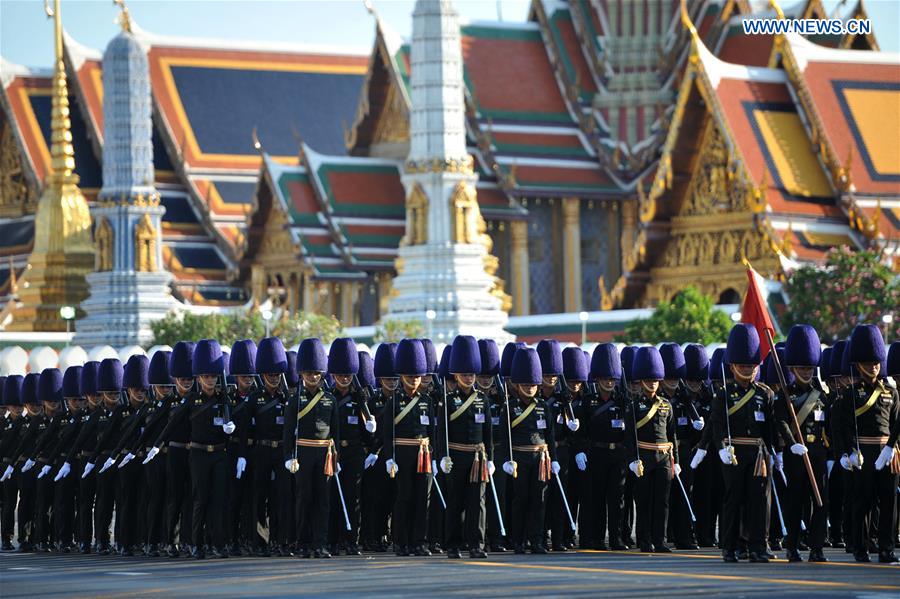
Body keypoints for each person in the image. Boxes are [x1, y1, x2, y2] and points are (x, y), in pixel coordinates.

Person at [146, 339, 237, 559]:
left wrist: (231, 427)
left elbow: (233, 427)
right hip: (197, 454)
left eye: (213, 376)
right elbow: (172, 424)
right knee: (198, 500)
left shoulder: (224, 399)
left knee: (218, 500)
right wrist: (157, 445)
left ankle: (217, 542)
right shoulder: (192, 400)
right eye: (205, 377)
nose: (210, 380)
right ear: (200, 377)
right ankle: (194, 543)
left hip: (218, 453)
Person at [833, 325, 899, 563]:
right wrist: (849, 451)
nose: (873, 366)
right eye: (868, 363)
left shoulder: (890, 392)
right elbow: (843, 426)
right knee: (862, 501)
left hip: (887, 452)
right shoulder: (851, 394)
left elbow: (897, 423)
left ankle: (886, 549)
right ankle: (860, 547)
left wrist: (891, 447)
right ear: (859, 364)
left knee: (889, 502)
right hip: (862, 451)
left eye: (876, 362)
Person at [712, 324, 775, 563]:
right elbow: (716, 424)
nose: (747, 370)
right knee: (733, 499)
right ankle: (730, 546)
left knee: (759, 500)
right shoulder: (724, 393)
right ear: (732, 366)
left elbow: (769, 426)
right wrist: (721, 448)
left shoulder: (764, 393)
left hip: (759, 454)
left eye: (751, 365)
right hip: (733, 452)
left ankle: (758, 545)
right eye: (743, 366)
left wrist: (774, 453)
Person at [776, 325, 830, 562]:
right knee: (795, 501)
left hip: (817, 452)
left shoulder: (821, 395)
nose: (806, 372)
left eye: (809, 368)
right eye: (802, 368)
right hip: (796, 453)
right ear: (793, 368)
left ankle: (817, 547)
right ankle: (793, 546)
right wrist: (791, 444)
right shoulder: (786, 395)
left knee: (820, 500)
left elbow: (828, 427)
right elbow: (780, 422)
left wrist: (832, 454)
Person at [437, 335, 493, 559]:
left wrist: (490, 459)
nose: (469, 378)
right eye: (464, 374)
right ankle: (452, 544)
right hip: (456, 456)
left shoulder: (483, 400)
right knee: (455, 502)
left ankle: (476, 545)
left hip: (478, 458)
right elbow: (440, 431)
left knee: (477, 503)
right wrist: (442, 456)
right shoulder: (447, 400)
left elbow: (488, 432)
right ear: (456, 375)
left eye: (471, 374)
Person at [283, 337, 339, 559]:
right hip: (303, 453)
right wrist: (288, 455)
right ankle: (302, 542)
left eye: (317, 373)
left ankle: (320, 543)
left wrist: (337, 459)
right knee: (304, 499)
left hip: (324, 453)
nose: (313, 377)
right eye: (309, 373)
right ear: (301, 374)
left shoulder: (330, 399)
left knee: (323, 501)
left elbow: (336, 431)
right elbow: (287, 432)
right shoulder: (294, 399)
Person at [499, 347, 558, 554]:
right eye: (526, 384)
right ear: (518, 384)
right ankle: (519, 540)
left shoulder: (543, 406)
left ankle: (537, 540)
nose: (531, 388)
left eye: (533, 384)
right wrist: (507, 459)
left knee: (539, 501)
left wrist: (555, 459)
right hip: (520, 458)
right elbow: (504, 436)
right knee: (520, 500)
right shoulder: (510, 406)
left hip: (541, 458)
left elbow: (550, 435)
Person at [380, 339, 434, 557]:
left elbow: (433, 433)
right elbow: (386, 433)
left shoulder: (427, 401)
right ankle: (401, 542)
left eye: (417, 377)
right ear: (403, 377)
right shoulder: (393, 401)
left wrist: (437, 457)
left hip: (424, 454)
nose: (414, 381)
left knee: (423, 498)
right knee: (404, 497)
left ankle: (419, 541)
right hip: (402, 453)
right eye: (410, 377)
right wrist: (389, 457)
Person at [327, 338, 376, 556]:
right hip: (333, 451)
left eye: (348, 375)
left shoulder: (359, 398)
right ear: (334, 375)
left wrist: (371, 444)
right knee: (333, 496)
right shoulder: (328, 396)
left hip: (355, 451)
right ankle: (333, 539)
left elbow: (368, 431)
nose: (344, 379)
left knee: (353, 496)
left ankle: (351, 539)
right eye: (340, 375)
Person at [625, 347, 676, 553]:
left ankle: (660, 540)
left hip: (663, 456)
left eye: (655, 379)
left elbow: (672, 436)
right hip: (644, 456)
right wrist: (633, 459)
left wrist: (677, 462)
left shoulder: (666, 405)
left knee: (662, 501)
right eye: (649, 379)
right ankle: (645, 540)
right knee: (643, 500)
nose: (653, 382)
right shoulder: (634, 405)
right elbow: (629, 436)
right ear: (641, 380)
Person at [577, 343, 627, 550]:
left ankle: (616, 538)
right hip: (596, 453)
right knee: (594, 498)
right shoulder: (588, 402)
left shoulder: (623, 400)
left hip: (618, 454)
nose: (609, 382)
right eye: (605, 379)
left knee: (617, 500)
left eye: (612, 379)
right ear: (597, 379)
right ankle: (594, 538)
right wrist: (581, 450)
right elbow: (580, 431)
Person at [659, 343, 703, 550]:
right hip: (664, 451)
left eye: (676, 379)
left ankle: (684, 535)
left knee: (685, 493)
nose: (672, 383)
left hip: (684, 450)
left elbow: (694, 433)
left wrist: (697, 424)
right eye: (669, 379)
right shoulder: (658, 398)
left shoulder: (684, 399)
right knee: (664, 497)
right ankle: (661, 535)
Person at [361, 343, 397, 552]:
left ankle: (388, 534)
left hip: (395, 454)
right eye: (388, 379)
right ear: (380, 379)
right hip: (376, 455)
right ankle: (372, 535)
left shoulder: (402, 401)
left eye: (394, 379)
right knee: (375, 499)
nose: (391, 383)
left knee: (394, 496)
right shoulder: (372, 402)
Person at [225, 340, 255, 556]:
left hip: (255, 451)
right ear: (236, 377)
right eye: (245, 377)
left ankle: (250, 539)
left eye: (251, 377)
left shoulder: (258, 397)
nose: (248, 381)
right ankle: (231, 539)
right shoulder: (227, 399)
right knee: (232, 499)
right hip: (233, 451)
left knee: (252, 499)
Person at [0, 376, 24, 551]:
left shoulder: (27, 423)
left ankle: (24, 536)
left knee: (25, 501)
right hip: (6, 465)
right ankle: (6, 537)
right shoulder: (4, 424)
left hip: (23, 465)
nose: (17, 408)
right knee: (8, 503)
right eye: (14, 405)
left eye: (20, 405)